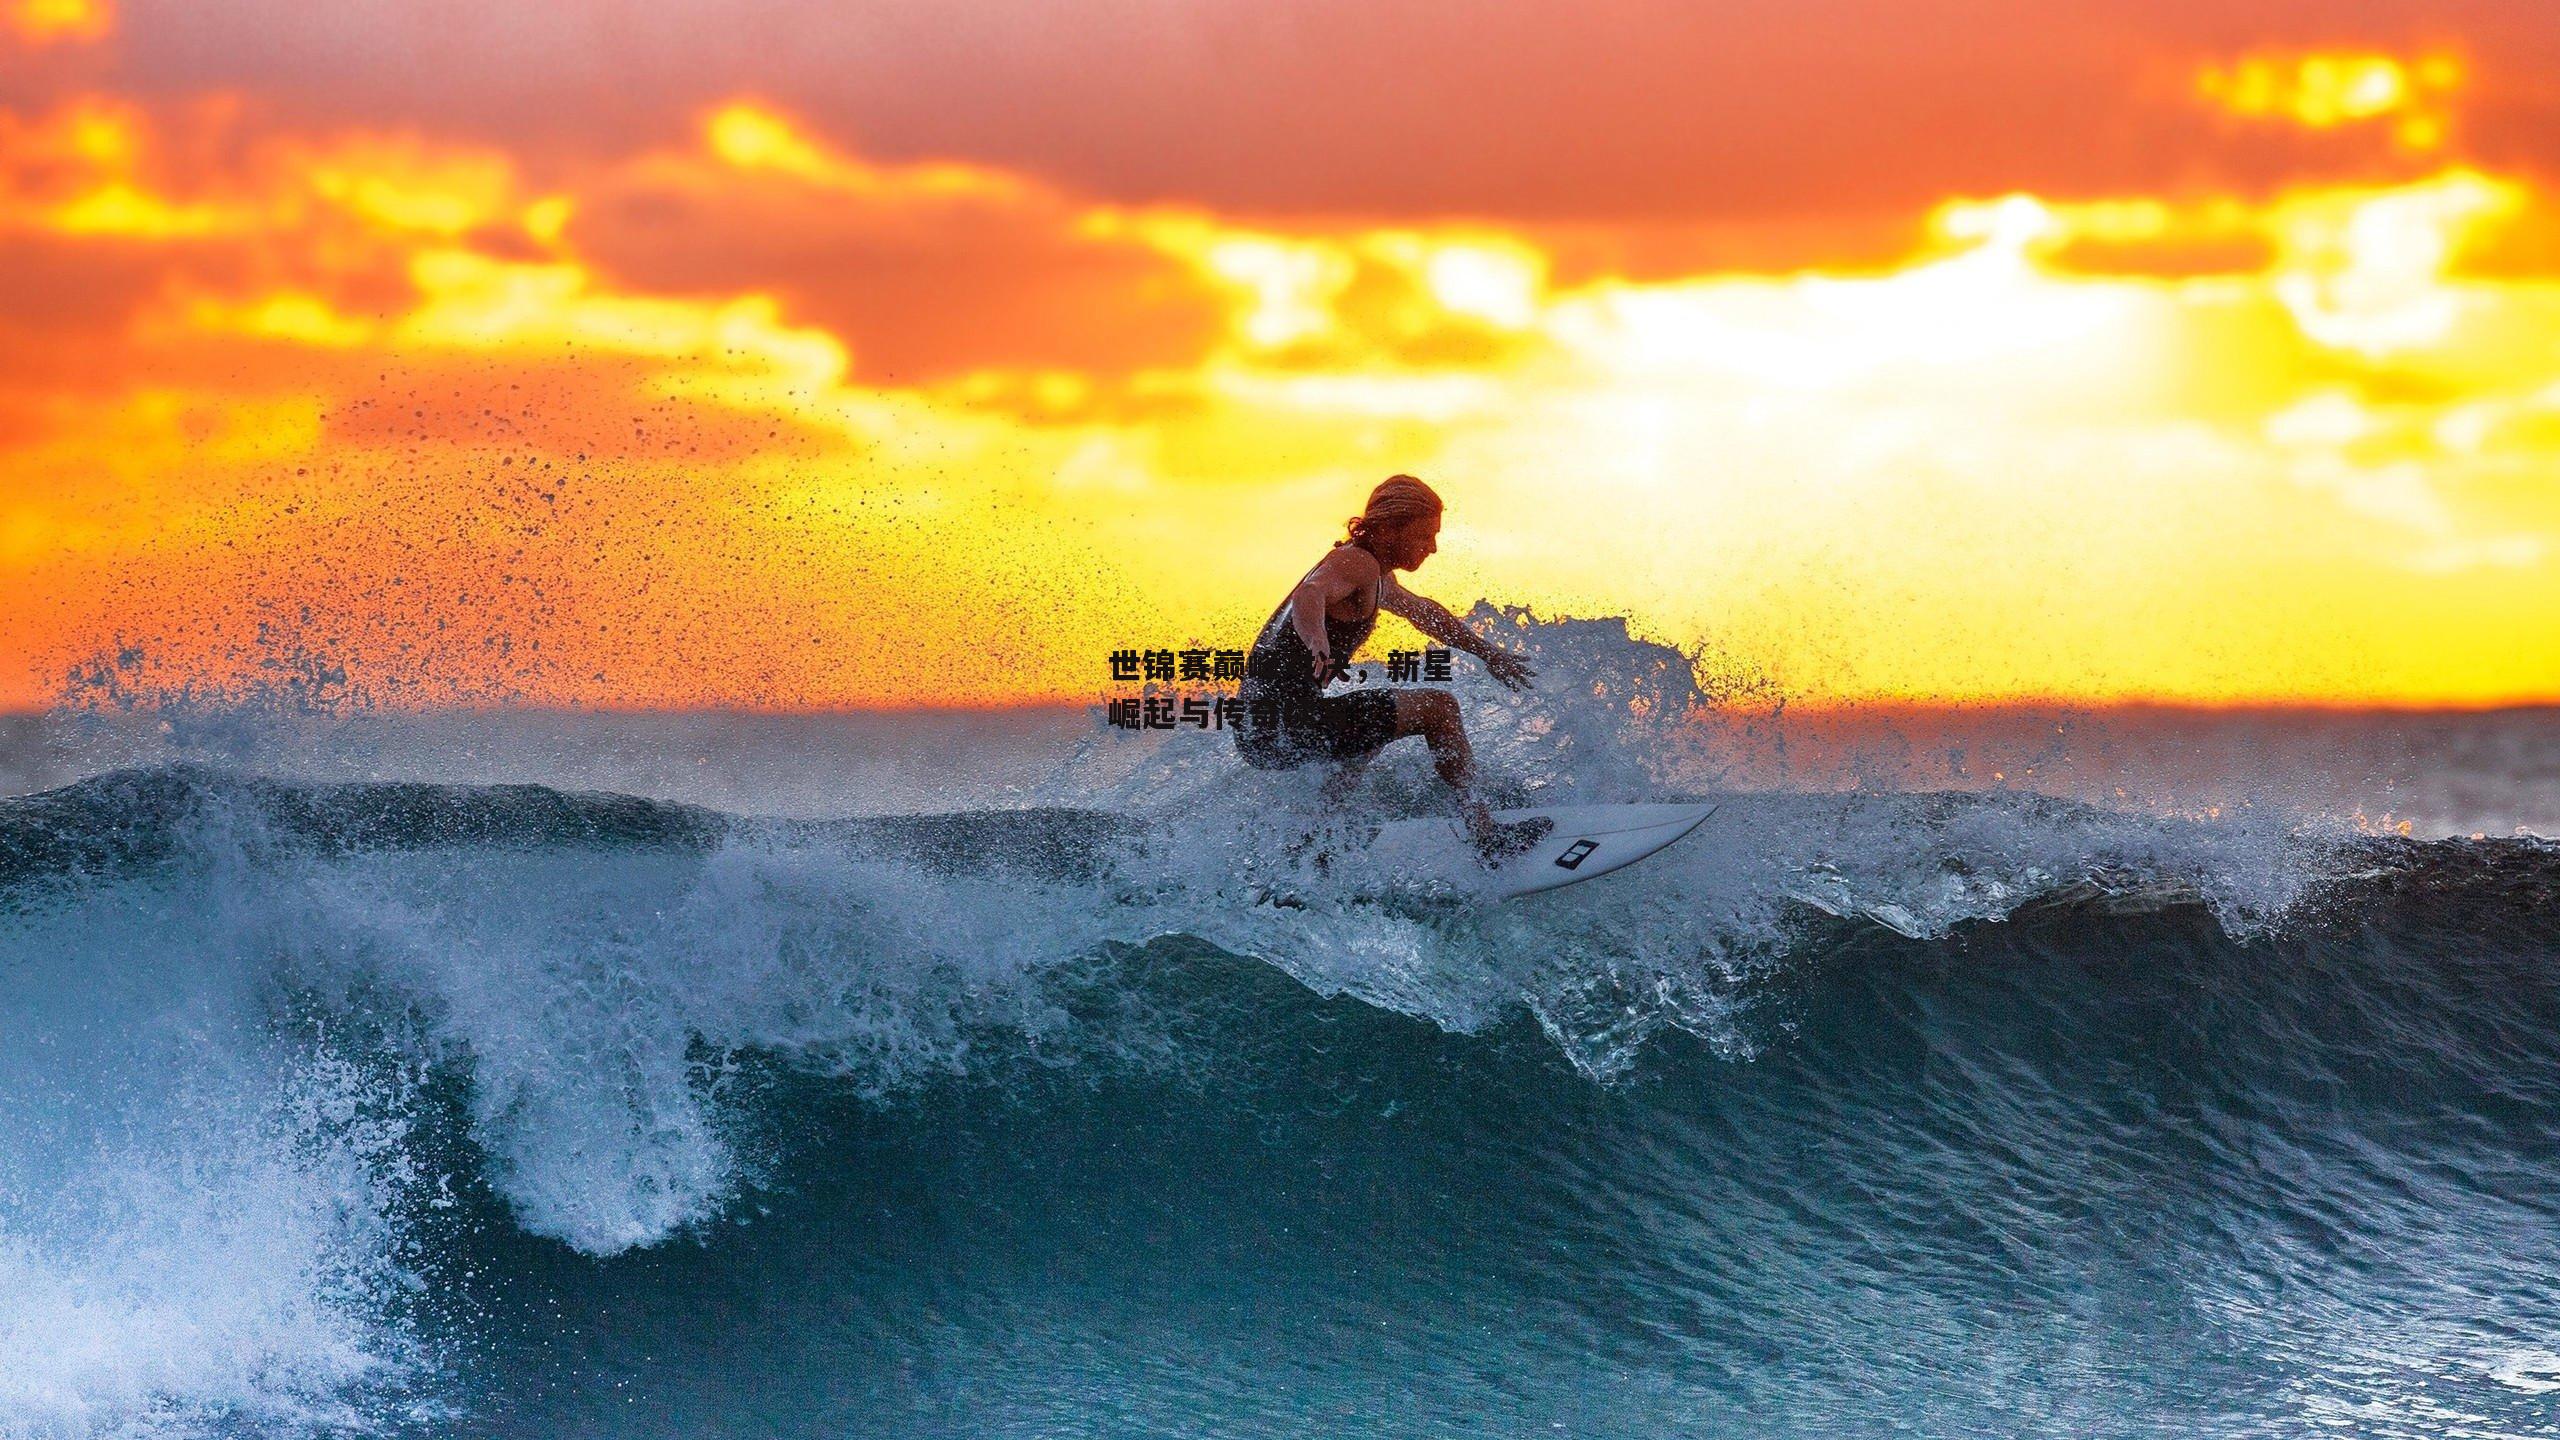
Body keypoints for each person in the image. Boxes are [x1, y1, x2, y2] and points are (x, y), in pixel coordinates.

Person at [1234, 475, 1551, 862]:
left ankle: (1311, 847)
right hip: (1285, 723)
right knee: (1439, 709)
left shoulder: (1375, 574)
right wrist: (1316, 637)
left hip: (1261, 730)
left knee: (1375, 728)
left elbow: (1425, 613)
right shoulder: (1356, 562)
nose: (1432, 548)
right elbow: (1310, 593)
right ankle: (1486, 836)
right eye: (1424, 536)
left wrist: (1488, 653)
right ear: (1388, 528)